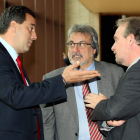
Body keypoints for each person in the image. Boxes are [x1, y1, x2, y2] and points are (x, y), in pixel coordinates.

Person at [0, 6, 101, 140]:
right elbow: (16, 96)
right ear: (14, 26)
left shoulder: (10, 58)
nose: (35, 36)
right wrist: (63, 80)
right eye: (31, 28)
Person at [41, 24, 124, 140]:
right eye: (71, 44)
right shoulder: (53, 79)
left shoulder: (115, 74)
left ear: (94, 49)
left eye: (81, 44)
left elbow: (125, 112)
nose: (75, 49)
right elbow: (47, 123)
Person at [84, 17, 140, 140]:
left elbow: (114, 110)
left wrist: (100, 103)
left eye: (116, 40)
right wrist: (111, 113)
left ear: (130, 39)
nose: (112, 47)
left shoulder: (137, 71)